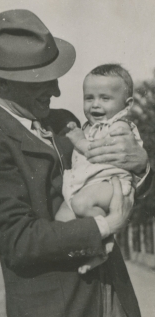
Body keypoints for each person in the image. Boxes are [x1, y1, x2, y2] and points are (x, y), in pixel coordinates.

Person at [0, 9, 152, 317]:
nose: (57, 91)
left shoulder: (66, 123)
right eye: (42, 82)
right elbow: (19, 242)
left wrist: (141, 165)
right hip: (58, 309)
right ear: (6, 82)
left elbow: (114, 176)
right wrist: (105, 225)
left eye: (55, 79)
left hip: (111, 292)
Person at [56, 64, 144, 274]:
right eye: (89, 98)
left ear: (127, 103)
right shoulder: (90, 126)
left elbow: (98, 151)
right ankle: (94, 250)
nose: (95, 105)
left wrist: (79, 141)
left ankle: (105, 239)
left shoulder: (120, 126)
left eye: (105, 98)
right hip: (86, 183)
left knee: (81, 204)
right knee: (61, 219)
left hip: (110, 183)